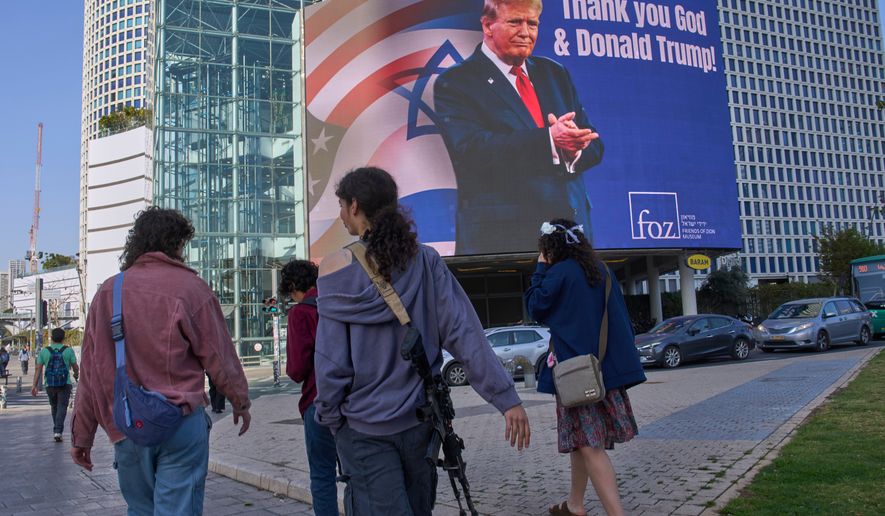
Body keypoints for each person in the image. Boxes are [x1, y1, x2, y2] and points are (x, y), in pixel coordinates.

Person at [315, 166, 531, 515]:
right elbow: (465, 334)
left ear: (354, 205)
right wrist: (506, 399)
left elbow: (331, 363)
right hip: (419, 425)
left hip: (363, 430)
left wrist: (331, 420)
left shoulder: (334, 270)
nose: (340, 215)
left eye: (341, 205)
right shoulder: (427, 262)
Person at [69, 207, 252, 515]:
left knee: (140, 509)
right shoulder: (191, 288)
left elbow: (90, 373)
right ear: (177, 244)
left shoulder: (107, 293)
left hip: (127, 426)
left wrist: (82, 435)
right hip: (179, 423)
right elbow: (219, 355)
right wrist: (240, 401)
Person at [434, 0, 604, 255]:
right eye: (515, 22)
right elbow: (472, 152)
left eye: (532, 24)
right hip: (503, 243)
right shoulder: (456, 82)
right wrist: (550, 141)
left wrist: (573, 148)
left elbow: (594, 144)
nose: (526, 32)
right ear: (488, 26)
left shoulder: (555, 74)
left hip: (572, 237)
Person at [525, 218, 647, 516]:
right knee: (583, 441)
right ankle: (575, 505)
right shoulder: (601, 270)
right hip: (604, 372)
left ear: (549, 247)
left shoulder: (559, 273)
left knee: (591, 447)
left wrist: (541, 268)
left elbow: (535, 306)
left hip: (577, 375)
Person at [281, 259, 338, 516]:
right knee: (358, 474)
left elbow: (296, 370)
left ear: (291, 285)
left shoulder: (300, 313)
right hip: (354, 401)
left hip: (317, 401)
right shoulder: (336, 303)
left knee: (323, 475)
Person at [31, 328, 80, 442]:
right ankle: (58, 431)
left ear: (52, 338)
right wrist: (76, 375)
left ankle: (57, 430)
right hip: (65, 383)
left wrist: (34, 385)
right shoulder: (68, 351)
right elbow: (75, 366)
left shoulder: (44, 351)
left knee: (54, 407)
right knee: (62, 407)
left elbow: (38, 368)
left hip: (50, 383)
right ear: (64, 338)